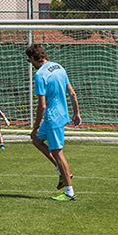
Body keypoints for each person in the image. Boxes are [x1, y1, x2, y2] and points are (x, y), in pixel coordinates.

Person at [25, 44, 82, 202]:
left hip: (53, 118)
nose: (29, 63)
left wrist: (36, 126)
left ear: (32, 58)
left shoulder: (40, 75)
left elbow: (42, 105)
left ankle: (69, 192)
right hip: (61, 115)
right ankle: (61, 171)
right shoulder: (59, 67)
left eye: (28, 59)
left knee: (58, 152)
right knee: (36, 140)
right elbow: (72, 92)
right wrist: (76, 113)